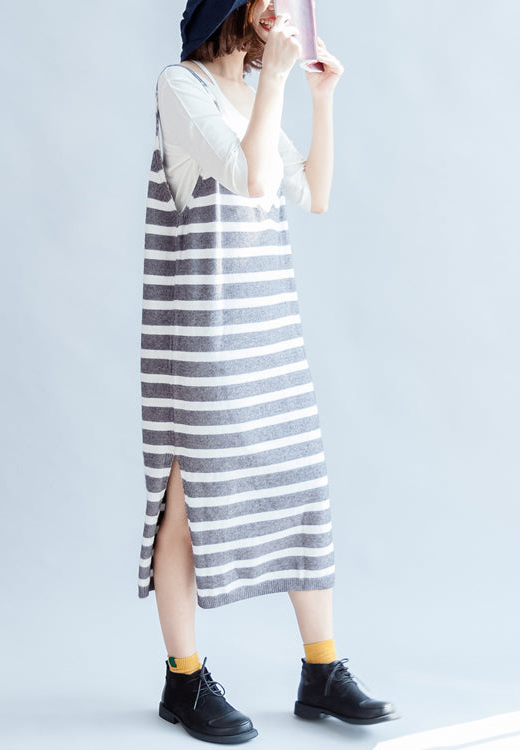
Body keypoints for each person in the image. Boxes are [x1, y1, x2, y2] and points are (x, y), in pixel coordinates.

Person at [138, 0, 400, 742]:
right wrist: (278, 85)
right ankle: (183, 678)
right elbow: (251, 180)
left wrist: (320, 97)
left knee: (299, 483)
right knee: (188, 494)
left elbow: (313, 194)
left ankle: (322, 670)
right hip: (205, 331)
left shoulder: (251, 92)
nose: (280, 10)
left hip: (268, 327)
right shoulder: (181, 85)